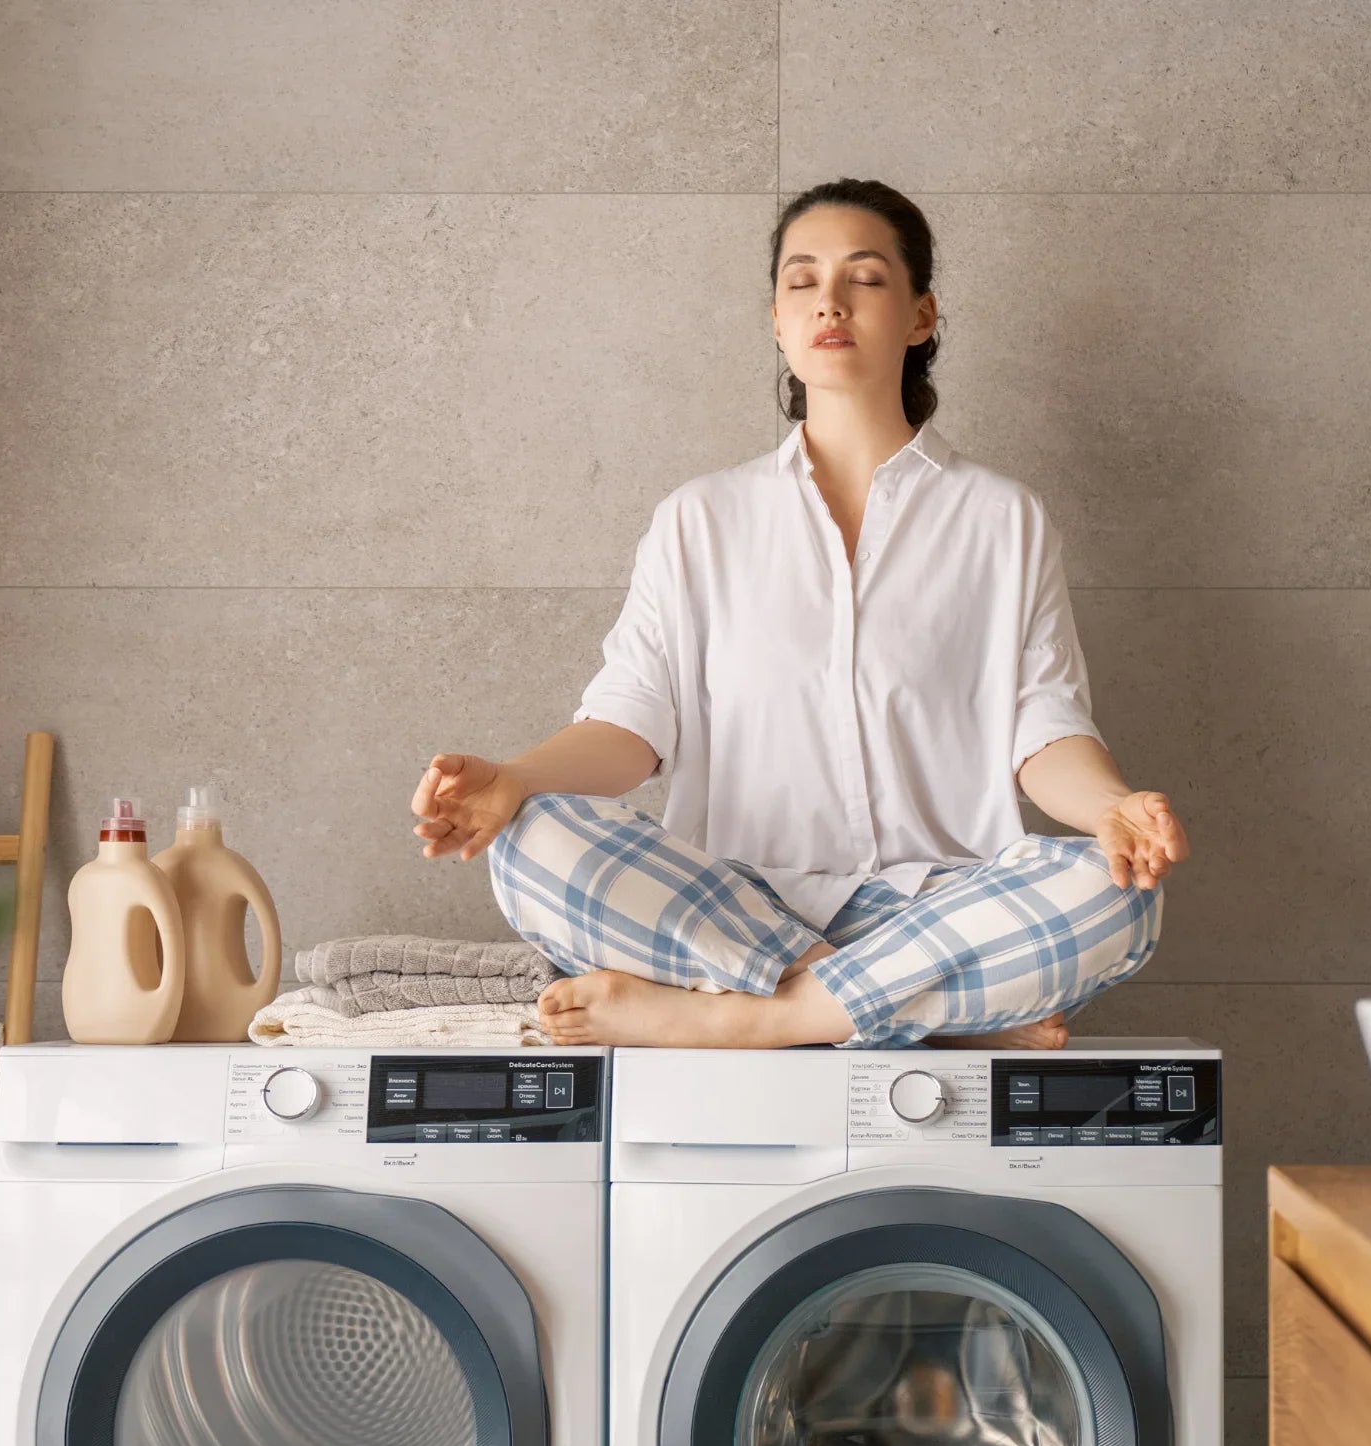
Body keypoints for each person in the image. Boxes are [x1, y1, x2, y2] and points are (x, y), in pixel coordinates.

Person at [411, 177, 1190, 1051]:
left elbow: (1043, 729)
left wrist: (1113, 807)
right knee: (534, 837)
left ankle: (756, 1020)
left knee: (1116, 892)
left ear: (921, 315)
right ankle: (914, 1015)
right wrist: (514, 779)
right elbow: (630, 723)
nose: (830, 300)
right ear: (778, 322)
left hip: (938, 908)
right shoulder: (699, 518)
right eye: (801, 280)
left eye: (864, 277)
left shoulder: (1003, 519)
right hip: (730, 912)